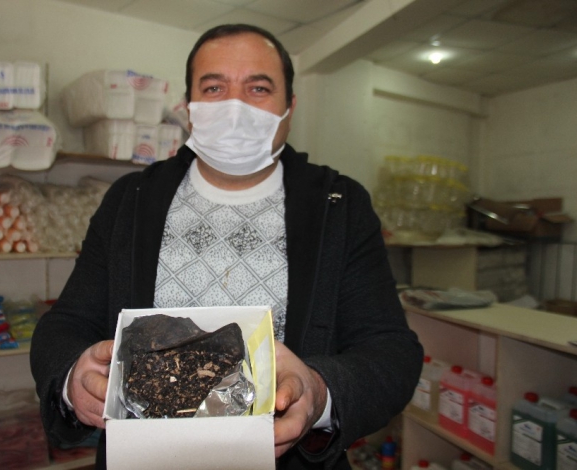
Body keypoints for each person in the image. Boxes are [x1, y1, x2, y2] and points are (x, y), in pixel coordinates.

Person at [31, 23, 423, 470]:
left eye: (258, 88)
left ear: (290, 106)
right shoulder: (131, 200)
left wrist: (320, 391)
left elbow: (390, 350)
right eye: (214, 87)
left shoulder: (340, 206)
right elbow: (66, 323)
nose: (235, 108)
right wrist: (72, 376)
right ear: (189, 106)